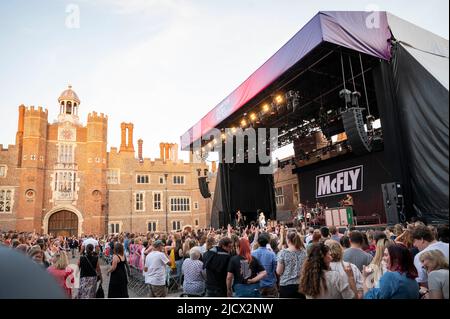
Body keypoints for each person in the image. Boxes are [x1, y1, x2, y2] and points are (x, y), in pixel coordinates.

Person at [277, 231, 307, 298]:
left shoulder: (283, 253)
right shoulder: (304, 252)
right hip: (300, 284)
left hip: (286, 285)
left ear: (288, 240)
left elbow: (279, 271)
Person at [252, 233, 278, 297]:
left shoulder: (252, 254)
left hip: (258, 284)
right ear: (268, 242)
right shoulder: (272, 254)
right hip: (270, 284)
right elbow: (275, 269)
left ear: (258, 242)